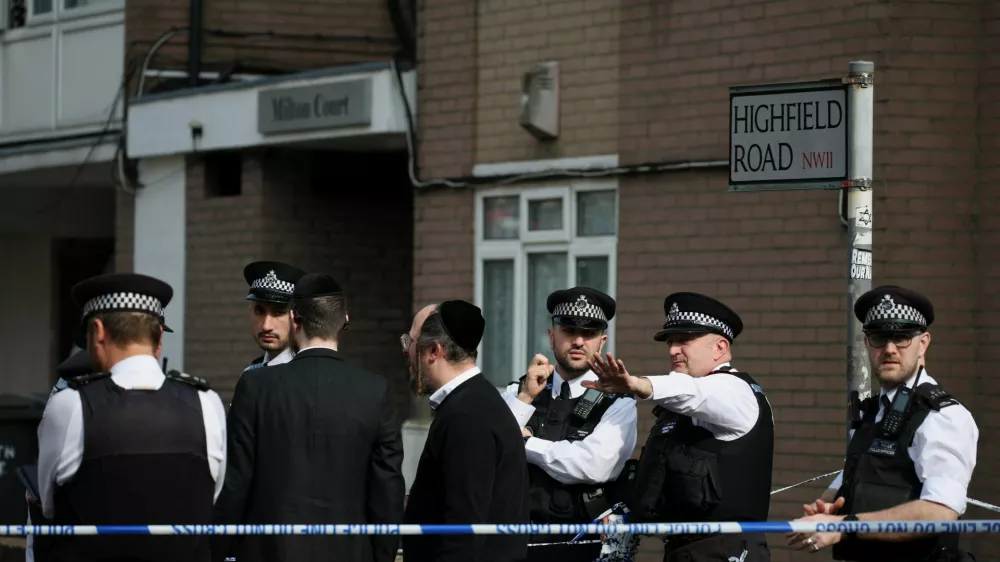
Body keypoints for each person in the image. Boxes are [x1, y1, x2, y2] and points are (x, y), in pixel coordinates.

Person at [213, 273, 405, 562]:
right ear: (344, 321)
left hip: (269, 552)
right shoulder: (374, 391)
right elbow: (387, 489)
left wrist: (218, 550)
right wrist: (383, 555)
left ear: (293, 320)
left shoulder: (256, 387)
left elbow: (235, 483)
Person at [36, 272, 227, 562]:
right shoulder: (207, 403)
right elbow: (210, 495)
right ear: (159, 335)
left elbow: (48, 506)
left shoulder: (70, 404)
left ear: (98, 331)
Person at [788, 285, 979, 561]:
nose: (889, 349)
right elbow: (862, 472)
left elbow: (940, 513)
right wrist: (830, 505)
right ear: (867, 343)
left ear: (923, 343)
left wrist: (844, 525)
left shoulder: (942, 416)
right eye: (879, 337)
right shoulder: (875, 410)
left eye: (902, 337)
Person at [583, 292, 774, 562]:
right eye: (671, 342)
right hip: (682, 550)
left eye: (685, 340)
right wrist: (629, 512)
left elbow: (692, 391)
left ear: (720, 348)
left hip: (726, 550)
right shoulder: (683, 404)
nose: (673, 350)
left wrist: (637, 384)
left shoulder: (734, 390)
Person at [500, 287, 638, 562]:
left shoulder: (618, 402)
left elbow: (592, 466)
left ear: (601, 342)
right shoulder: (519, 391)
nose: (578, 341)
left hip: (584, 545)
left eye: (588, 334)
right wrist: (525, 399)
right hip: (520, 543)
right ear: (552, 337)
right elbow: (495, 451)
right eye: (568, 331)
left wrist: (527, 443)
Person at [402, 301, 530, 562]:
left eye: (410, 341)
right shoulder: (470, 403)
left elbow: (464, 526)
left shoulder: (468, 415)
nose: (406, 351)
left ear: (433, 351)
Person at [242, 260, 307, 372]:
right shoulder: (250, 373)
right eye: (259, 311)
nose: (266, 326)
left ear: (297, 316)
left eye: (278, 313)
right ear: (250, 311)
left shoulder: (308, 373)